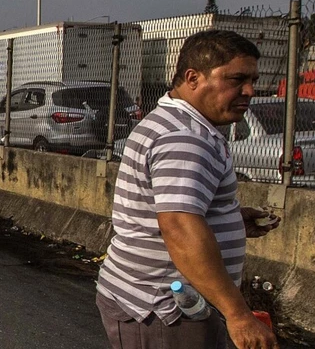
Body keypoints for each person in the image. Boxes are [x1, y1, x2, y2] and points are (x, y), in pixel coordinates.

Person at [95, 30, 279, 349]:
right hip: (165, 310)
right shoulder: (186, 137)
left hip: (155, 304)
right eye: (236, 79)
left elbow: (174, 210)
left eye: (252, 80)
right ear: (193, 78)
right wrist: (238, 315)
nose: (249, 91)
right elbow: (180, 226)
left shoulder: (172, 121)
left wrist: (229, 221)